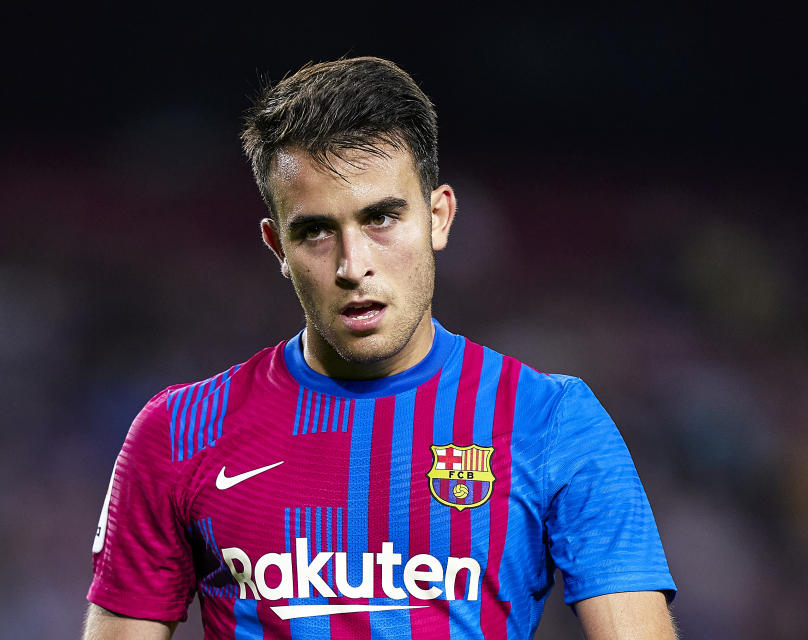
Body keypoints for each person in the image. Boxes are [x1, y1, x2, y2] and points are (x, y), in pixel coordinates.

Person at [82, 56, 677, 639]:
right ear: (276, 247)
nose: (352, 265)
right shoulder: (179, 433)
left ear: (439, 217)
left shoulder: (551, 422)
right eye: (315, 230)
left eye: (381, 219)